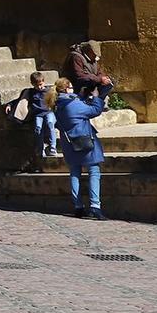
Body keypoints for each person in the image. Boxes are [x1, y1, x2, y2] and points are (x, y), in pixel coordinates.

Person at [54, 77, 106, 219]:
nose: (73, 89)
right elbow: (95, 110)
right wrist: (96, 97)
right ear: (66, 89)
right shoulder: (72, 104)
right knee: (94, 171)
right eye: (70, 87)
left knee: (75, 173)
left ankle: (78, 206)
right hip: (83, 140)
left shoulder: (58, 104)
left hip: (69, 143)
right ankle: (95, 206)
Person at [15, 71, 60, 159]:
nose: (40, 87)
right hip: (38, 114)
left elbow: (57, 99)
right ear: (32, 84)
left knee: (50, 123)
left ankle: (52, 147)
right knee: (38, 128)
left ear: (44, 82)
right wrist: (9, 105)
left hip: (48, 112)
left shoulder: (49, 90)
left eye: (41, 84)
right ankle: (40, 148)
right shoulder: (31, 92)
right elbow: (20, 100)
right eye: (37, 85)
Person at [69, 42, 113, 106]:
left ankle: (97, 103)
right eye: (94, 54)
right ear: (89, 51)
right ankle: (91, 103)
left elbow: (99, 72)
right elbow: (79, 76)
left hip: (90, 83)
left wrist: (103, 79)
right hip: (77, 86)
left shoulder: (93, 59)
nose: (96, 56)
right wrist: (99, 79)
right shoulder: (76, 57)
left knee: (109, 84)